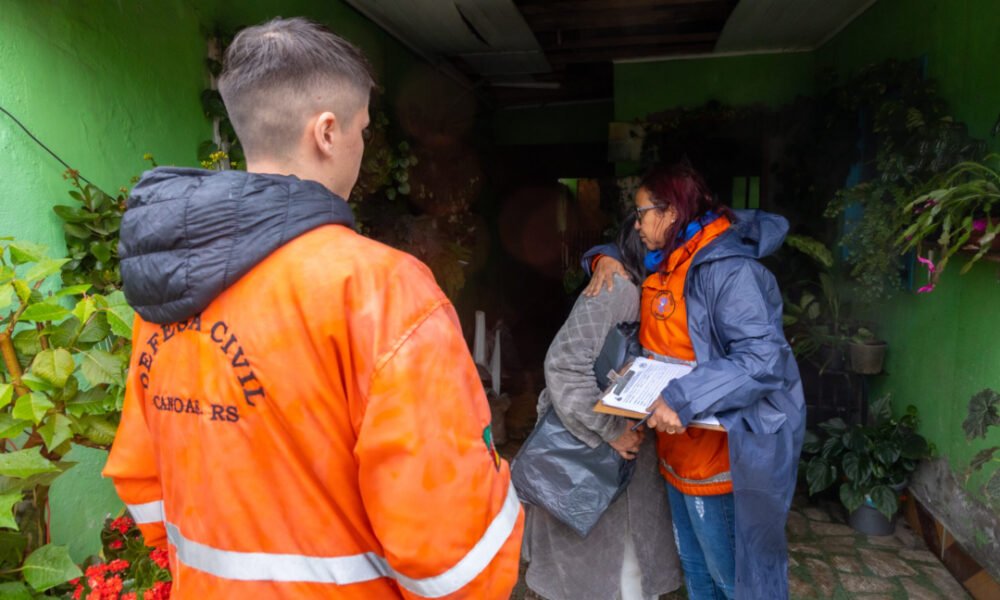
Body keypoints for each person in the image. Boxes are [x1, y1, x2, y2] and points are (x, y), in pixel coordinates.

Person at [102, 17, 522, 599]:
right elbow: (452, 549)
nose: (362, 146)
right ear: (326, 132)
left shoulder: (167, 286)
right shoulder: (381, 287)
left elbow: (140, 474)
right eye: (363, 131)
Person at [582, 163, 805, 599]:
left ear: (670, 212)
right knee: (697, 574)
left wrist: (682, 397)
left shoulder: (729, 271)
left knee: (731, 580)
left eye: (642, 212)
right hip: (678, 449)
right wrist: (602, 257)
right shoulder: (664, 258)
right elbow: (617, 250)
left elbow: (762, 359)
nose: (637, 223)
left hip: (722, 458)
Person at [524, 216, 682, 600]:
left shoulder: (650, 292)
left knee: (625, 570)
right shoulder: (619, 289)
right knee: (609, 573)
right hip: (597, 453)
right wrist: (611, 431)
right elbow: (563, 365)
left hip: (622, 461)